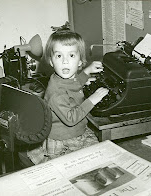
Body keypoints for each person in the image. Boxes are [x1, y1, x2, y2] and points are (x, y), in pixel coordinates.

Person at [27, 24, 109, 165]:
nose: (65, 61)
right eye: (59, 56)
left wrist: (86, 72)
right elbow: (71, 118)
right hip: (64, 140)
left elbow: (73, 84)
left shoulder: (62, 78)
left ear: (80, 62)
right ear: (51, 61)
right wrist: (92, 100)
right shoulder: (56, 94)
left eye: (71, 55)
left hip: (76, 131)